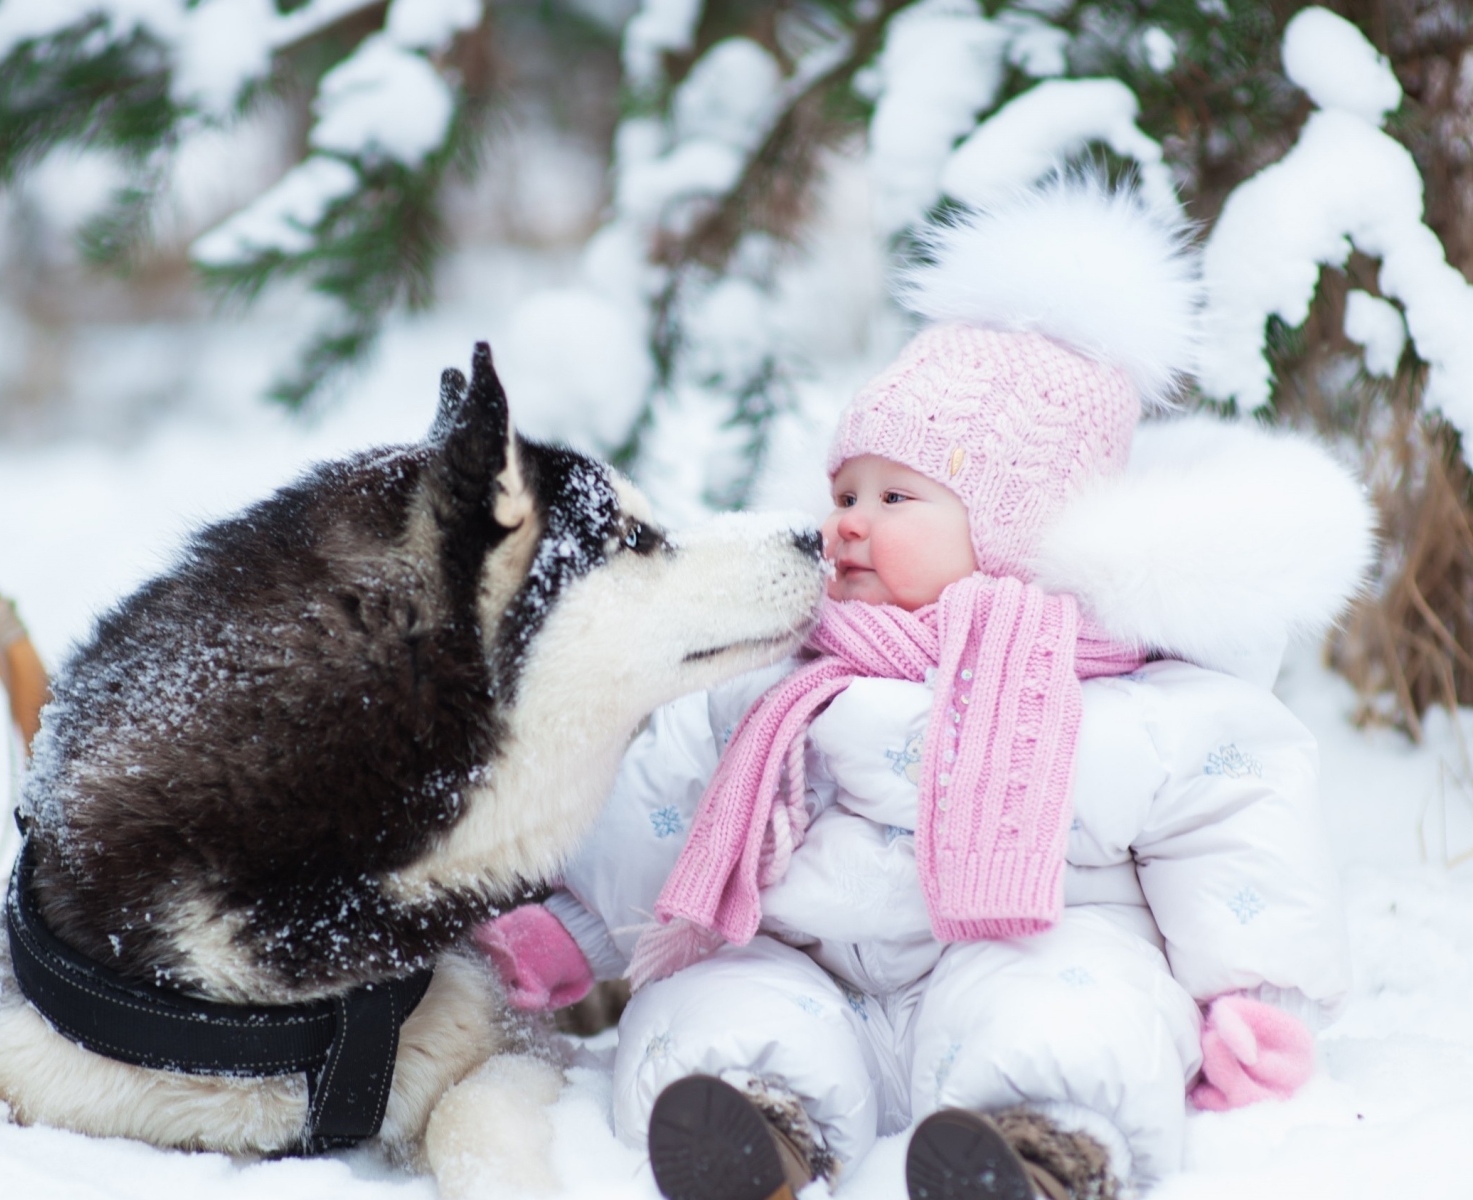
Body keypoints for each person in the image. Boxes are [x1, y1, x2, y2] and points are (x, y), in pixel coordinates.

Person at [476, 178, 1371, 1200]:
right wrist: (581, 925)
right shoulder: (785, 671)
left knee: (1080, 1010)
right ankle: (751, 1134)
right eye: (844, 491)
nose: (847, 522)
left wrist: (1256, 997)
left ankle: (1038, 1153)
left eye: (895, 498)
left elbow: (1237, 818)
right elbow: (670, 806)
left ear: (1015, 532)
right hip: (816, 969)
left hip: (1025, 952)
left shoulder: (1123, 697)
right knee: (715, 996)